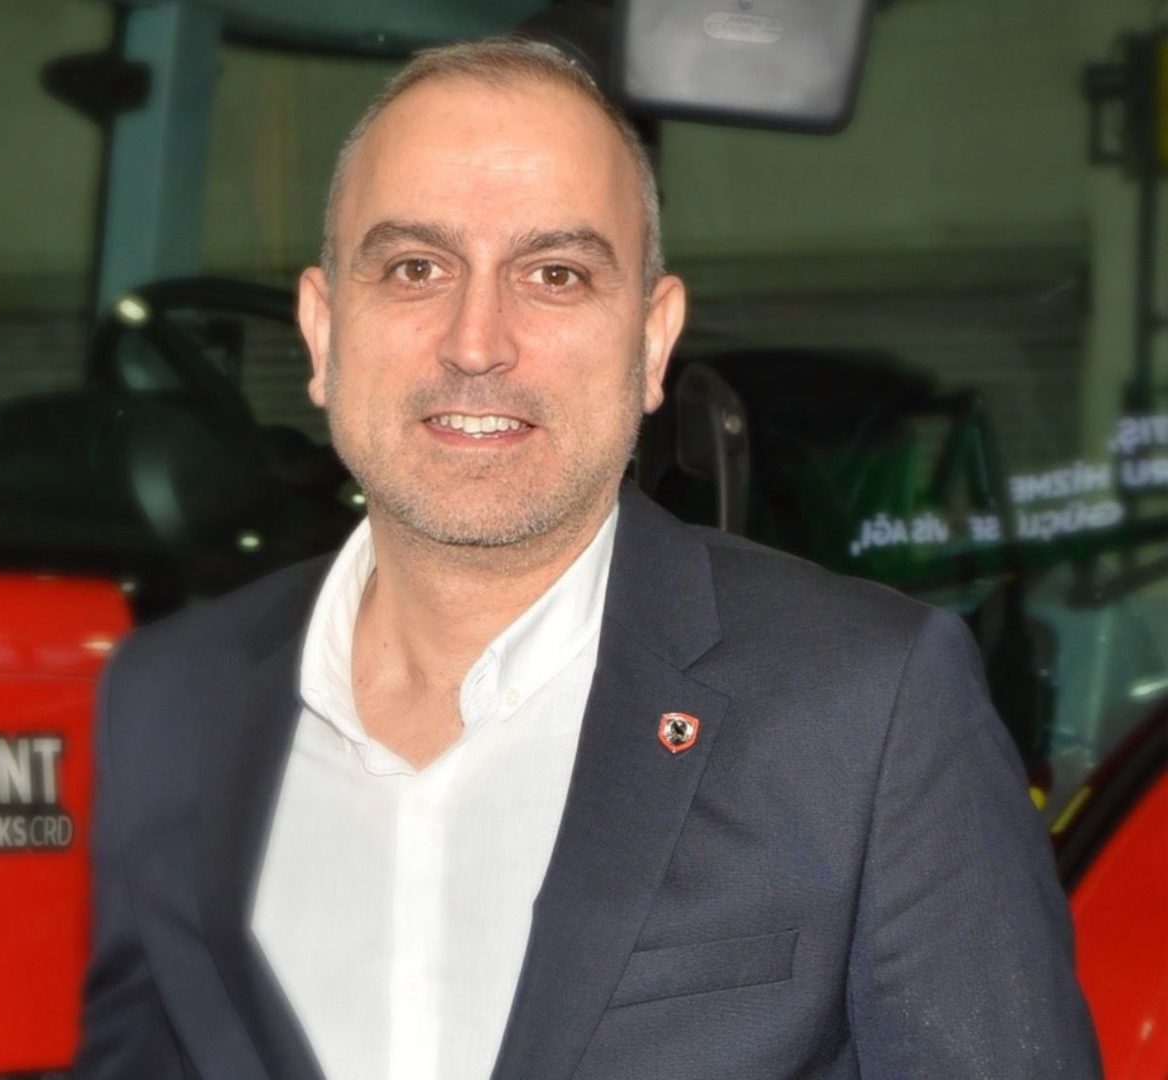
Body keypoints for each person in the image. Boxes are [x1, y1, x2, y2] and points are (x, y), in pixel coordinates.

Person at [74, 36, 1100, 1080]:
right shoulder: (168, 702)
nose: (477, 342)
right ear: (323, 330)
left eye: (555, 274)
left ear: (652, 342)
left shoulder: (870, 711)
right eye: (415, 268)